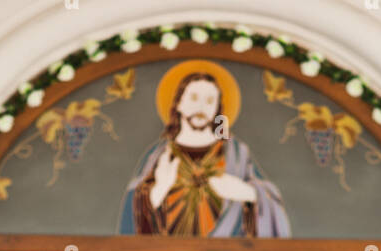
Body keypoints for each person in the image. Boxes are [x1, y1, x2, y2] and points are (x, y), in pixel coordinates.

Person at [118, 67, 290, 237]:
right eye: (193, 98)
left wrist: (247, 192)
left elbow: (269, 199)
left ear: (217, 109)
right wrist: (159, 190)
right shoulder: (160, 154)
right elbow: (131, 215)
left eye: (209, 101)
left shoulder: (236, 152)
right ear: (179, 103)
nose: (201, 107)